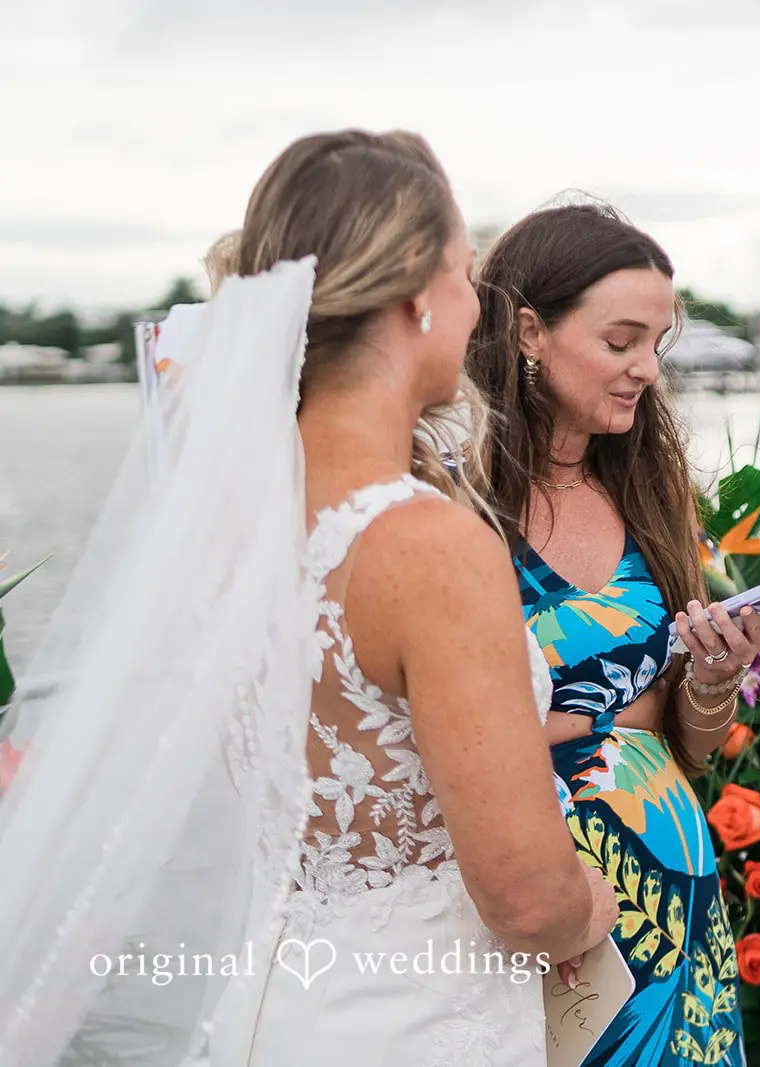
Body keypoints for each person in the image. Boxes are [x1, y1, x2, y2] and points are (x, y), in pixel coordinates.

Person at [0, 130, 613, 1067]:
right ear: (414, 295)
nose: (472, 303)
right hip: (416, 1019)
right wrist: (590, 908)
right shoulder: (429, 547)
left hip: (274, 1001)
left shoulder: (226, 533)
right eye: (462, 273)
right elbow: (527, 898)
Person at [466, 201, 760, 1066]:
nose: (645, 368)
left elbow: (686, 743)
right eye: (620, 341)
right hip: (536, 895)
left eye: (656, 344)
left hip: (671, 885)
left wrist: (712, 679)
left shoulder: (649, 492)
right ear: (530, 331)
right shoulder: (459, 505)